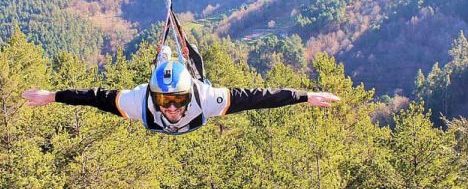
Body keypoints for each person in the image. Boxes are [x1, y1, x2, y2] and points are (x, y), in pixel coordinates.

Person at [22, 56, 340, 135]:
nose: (172, 108)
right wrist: (52, 96)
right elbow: (95, 96)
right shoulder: (138, 101)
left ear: (189, 95)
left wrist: (304, 96)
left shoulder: (207, 98)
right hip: (180, 100)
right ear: (154, 97)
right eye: (164, 101)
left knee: (197, 68)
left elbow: (258, 96)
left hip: (196, 86)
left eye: (177, 99)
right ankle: (168, 59)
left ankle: (184, 61)